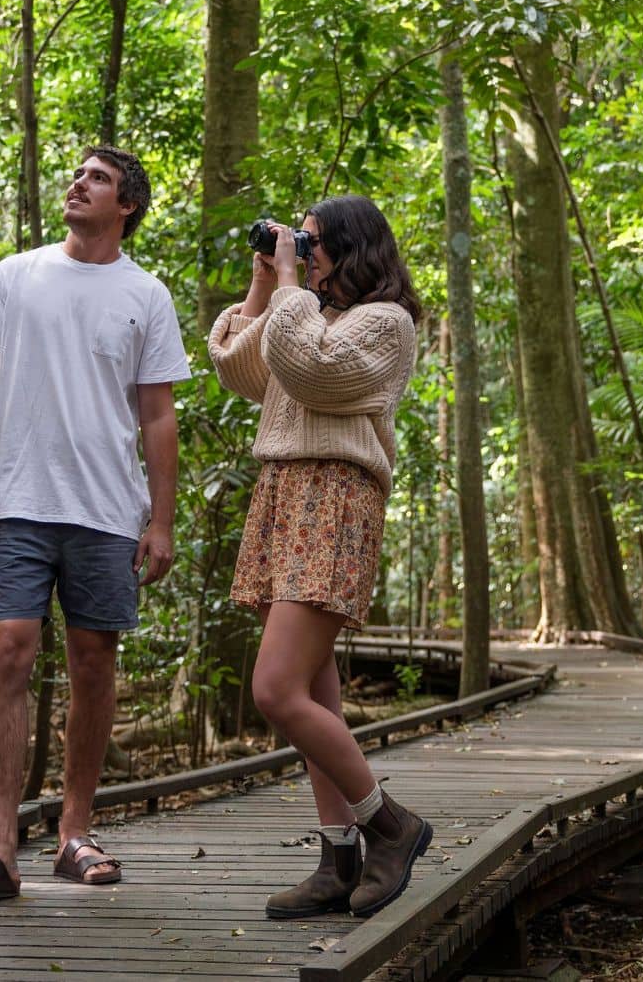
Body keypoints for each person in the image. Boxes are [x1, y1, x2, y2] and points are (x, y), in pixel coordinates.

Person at [0, 146, 190, 902]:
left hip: (105, 510)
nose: (78, 184)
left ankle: (75, 830)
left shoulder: (145, 293)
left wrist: (161, 522)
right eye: (78, 174)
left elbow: (157, 416)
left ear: (128, 206)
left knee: (92, 662)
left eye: (98, 179)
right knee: (6, 652)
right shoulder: (16, 275)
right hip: (18, 502)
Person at [207, 194, 430, 919]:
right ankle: (338, 856)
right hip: (283, 494)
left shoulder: (384, 324)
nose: (300, 251)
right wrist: (265, 282)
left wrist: (291, 290)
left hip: (333, 494)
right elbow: (242, 371)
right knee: (313, 687)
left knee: (275, 689)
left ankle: (388, 824)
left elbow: (315, 371)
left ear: (351, 247)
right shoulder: (305, 310)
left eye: (311, 242)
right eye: (296, 241)